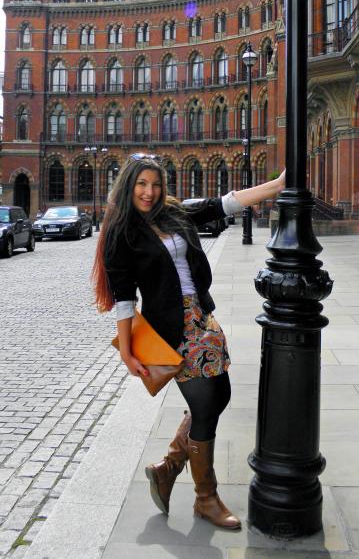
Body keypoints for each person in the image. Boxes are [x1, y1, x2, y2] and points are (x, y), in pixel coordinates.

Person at [92, 154, 285, 530]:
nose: (149, 192)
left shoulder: (173, 213)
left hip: (202, 317)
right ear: (128, 186)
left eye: (156, 184)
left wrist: (277, 186)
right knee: (207, 404)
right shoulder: (121, 234)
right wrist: (128, 352)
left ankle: (169, 466)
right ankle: (205, 498)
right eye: (141, 185)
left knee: (220, 394)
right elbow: (124, 298)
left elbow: (223, 204)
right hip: (171, 329)